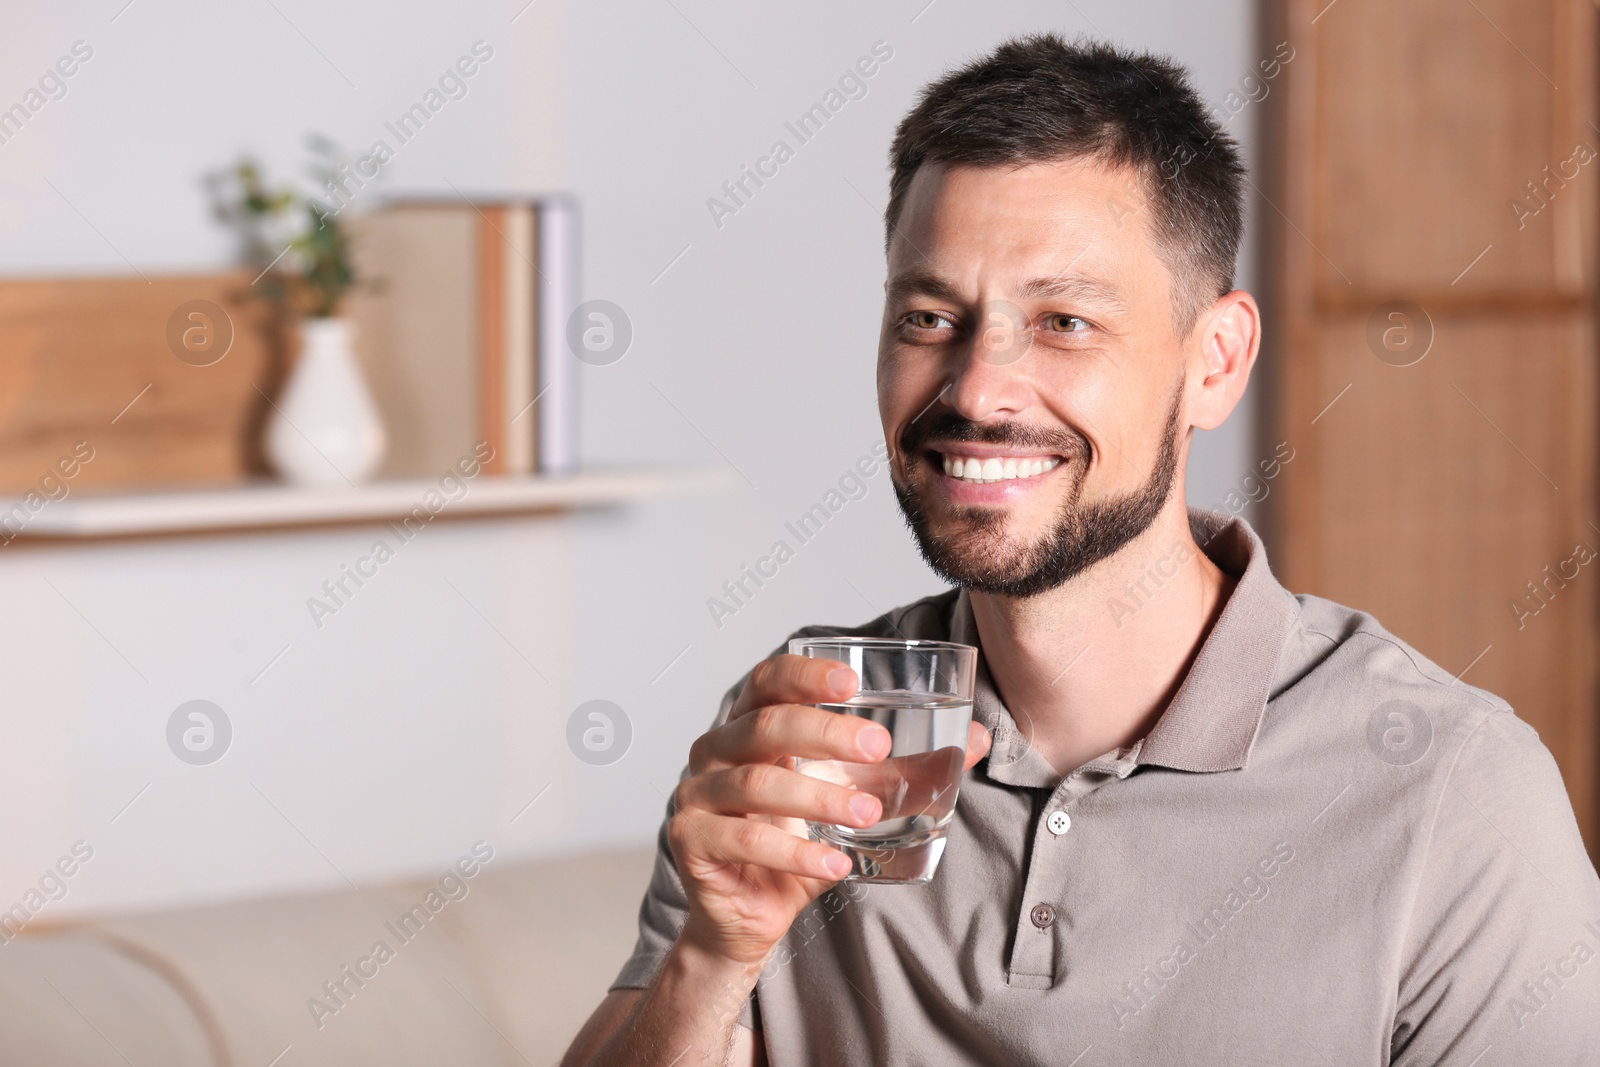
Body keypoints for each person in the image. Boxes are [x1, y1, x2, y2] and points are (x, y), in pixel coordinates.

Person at [563, 34, 1600, 1066]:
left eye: (1063, 321)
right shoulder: (812, 730)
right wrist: (713, 953)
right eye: (930, 316)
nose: (975, 389)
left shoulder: (1452, 792)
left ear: (1215, 361)